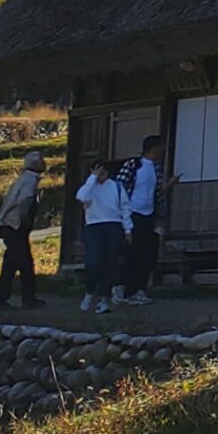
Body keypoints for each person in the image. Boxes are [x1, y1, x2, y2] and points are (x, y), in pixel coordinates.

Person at [73, 155, 130, 315]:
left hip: (113, 226)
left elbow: (125, 208)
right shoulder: (89, 188)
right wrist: (92, 179)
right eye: (98, 172)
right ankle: (89, 292)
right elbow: (81, 197)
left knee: (109, 263)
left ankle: (103, 299)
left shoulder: (117, 187)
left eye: (103, 172)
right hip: (93, 227)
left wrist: (128, 230)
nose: (101, 176)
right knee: (93, 262)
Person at [0, 150, 45, 310]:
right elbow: (24, 202)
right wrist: (25, 221)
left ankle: (10, 298)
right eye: (42, 160)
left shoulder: (24, 179)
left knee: (14, 264)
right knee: (23, 264)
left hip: (10, 225)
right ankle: (23, 299)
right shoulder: (30, 181)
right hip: (15, 227)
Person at [117, 133, 164, 305]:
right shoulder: (133, 164)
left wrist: (160, 215)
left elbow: (157, 192)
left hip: (148, 213)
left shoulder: (156, 168)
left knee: (147, 253)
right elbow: (120, 186)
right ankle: (126, 288)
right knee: (132, 253)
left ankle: (139, 289)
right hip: (133, 213)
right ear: (153, 148)